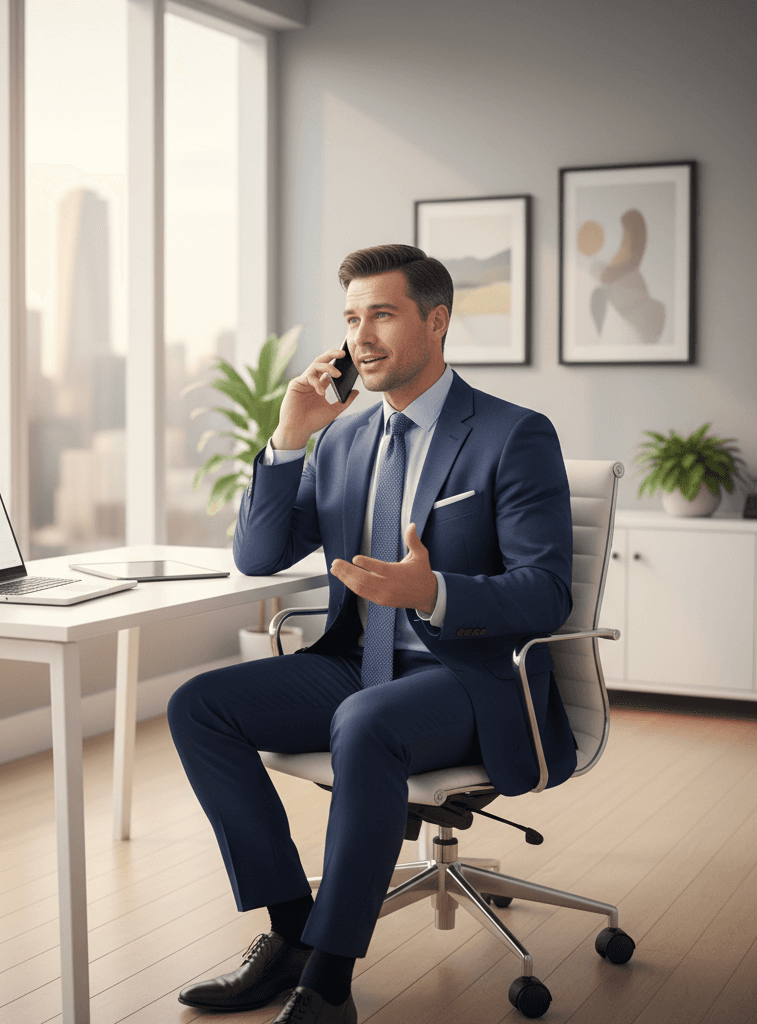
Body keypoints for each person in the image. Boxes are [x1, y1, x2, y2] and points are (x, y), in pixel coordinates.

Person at [167, 243, 577, 1024]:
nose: (362, 337)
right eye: (353, 318)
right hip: (358, 663)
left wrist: (437, 591)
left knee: (363, 721)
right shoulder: (344, 438)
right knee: (198, 706)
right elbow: (257, 555)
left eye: (382, 314)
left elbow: (547, 593)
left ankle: (328, 979)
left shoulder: (511, 434)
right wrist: (290, 437)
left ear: (437, 321)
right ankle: (290, 929)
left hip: (466, 676)